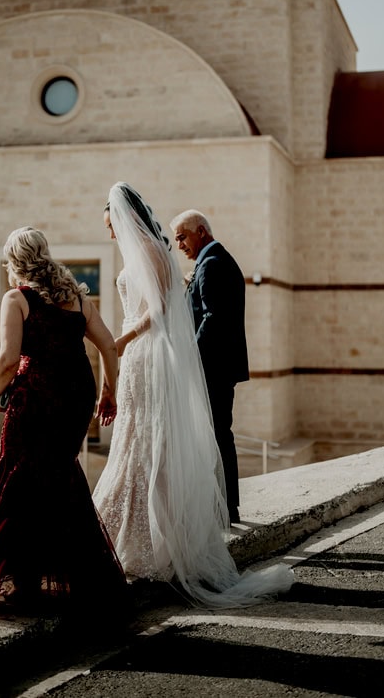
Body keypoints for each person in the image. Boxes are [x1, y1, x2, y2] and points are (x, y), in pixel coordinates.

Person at [93, 182, 293, 608]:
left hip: (144, 354)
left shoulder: (153, 251)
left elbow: (162, 309)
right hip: (136, 359)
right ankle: (135, 535)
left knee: (149, 443)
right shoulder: (154, 253)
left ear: (127, 219)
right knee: (136, 441)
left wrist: (122, 339)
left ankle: (146, 540)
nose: (111, 234)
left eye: (112, 225)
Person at [0, 226, 127, 616]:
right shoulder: (75, 298)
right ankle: (82, 576)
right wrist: (109, 392)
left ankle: (24, 580)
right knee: (60, 475)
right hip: (76, 396)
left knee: (20, 478)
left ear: (14, 261)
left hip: (37, 398)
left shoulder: (16, 299)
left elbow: (8, 358)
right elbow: (107, 344)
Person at [169, 209, 248, 524]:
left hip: (212, 369)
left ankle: (224, 508)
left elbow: (212, 319)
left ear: (200, 231)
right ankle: (225, 506)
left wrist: (190, 355)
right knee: (218, 435)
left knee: (215, 435)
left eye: (182, 237)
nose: (179, 245)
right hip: (220, 367)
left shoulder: (211, 265)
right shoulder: (214, 262)